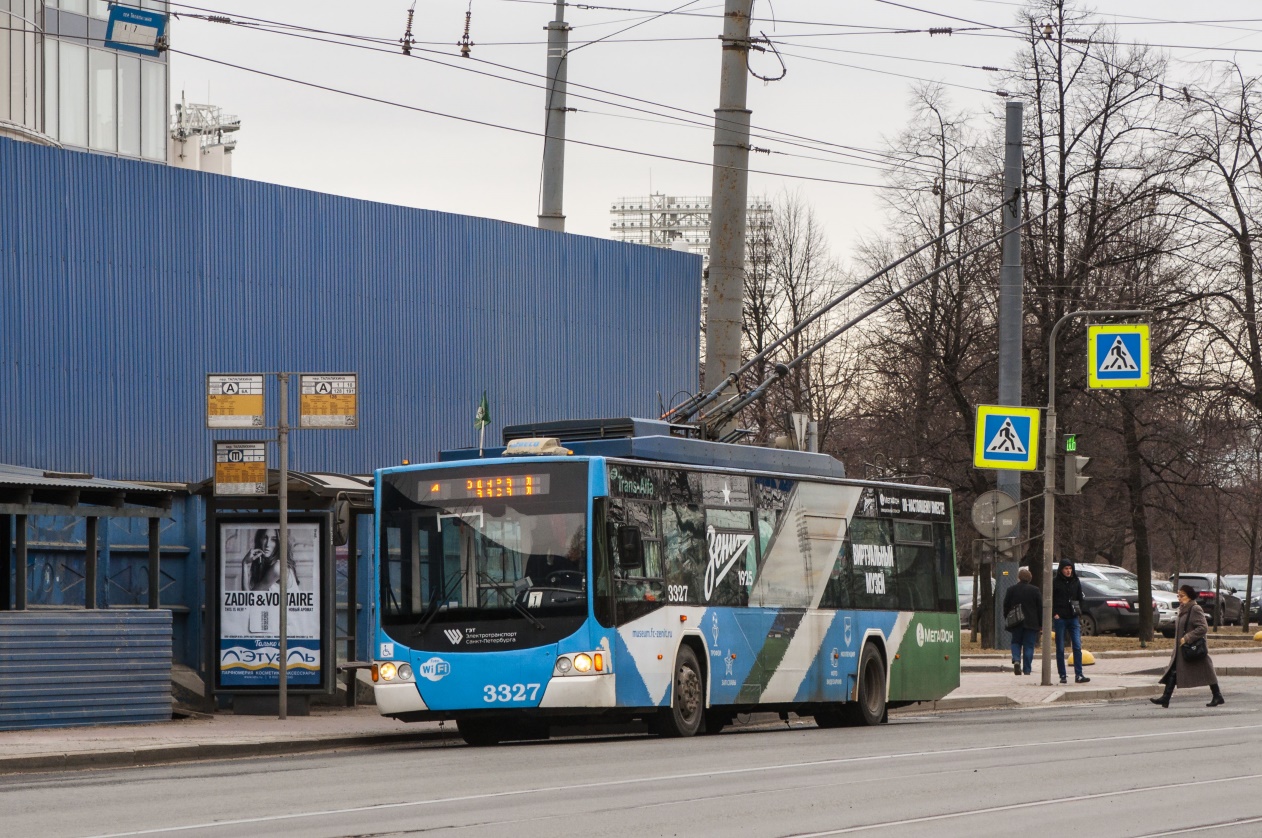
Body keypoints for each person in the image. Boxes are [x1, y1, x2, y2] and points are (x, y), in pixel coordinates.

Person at [1151, 584, 1225, 708]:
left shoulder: (1195, 608)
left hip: (1193, 647)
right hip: (1183, 648)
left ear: (1190, 596)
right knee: (1174, 670)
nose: (1179, 598)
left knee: (1206, 671)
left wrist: (1187, 638)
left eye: (1182, 596)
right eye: (1178, 596)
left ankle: (1217, 695)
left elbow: (1203, 628)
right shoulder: (1182, 609)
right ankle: (1165, 698)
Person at [1051, 560, 1091, 685]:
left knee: (1077, 646)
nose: (1068, 571)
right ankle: (1062, 675)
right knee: (1060, 647)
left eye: (1070, 568)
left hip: (1073, 617)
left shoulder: (1075, 581)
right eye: (1066, 568)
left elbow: (1080, 598)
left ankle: (1079, 674)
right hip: (1060, 618)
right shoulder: (1055, 582)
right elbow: (1050, 599)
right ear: (1061, 569)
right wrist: (1055, 613)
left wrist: (1079, 611)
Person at [1003, 568, 1042, 675]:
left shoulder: (1011, 590)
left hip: (1016, 622)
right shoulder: (1035, 590)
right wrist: (1040, 624)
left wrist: (1007, 618)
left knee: (1016, 642)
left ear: (1018, 578)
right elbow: (1039, 608)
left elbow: (1006, 606)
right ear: (1030, 579)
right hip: (1031, 623)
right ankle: (1027, 670)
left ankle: (1016, 659)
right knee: (1029, 646)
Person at [241, 527, 300, 592]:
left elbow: (248, 596)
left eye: (274, 540)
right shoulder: (271, 564)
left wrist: (245, 563)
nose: (267, 544)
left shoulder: (278, 567)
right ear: (259, 539)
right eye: (265, 538)